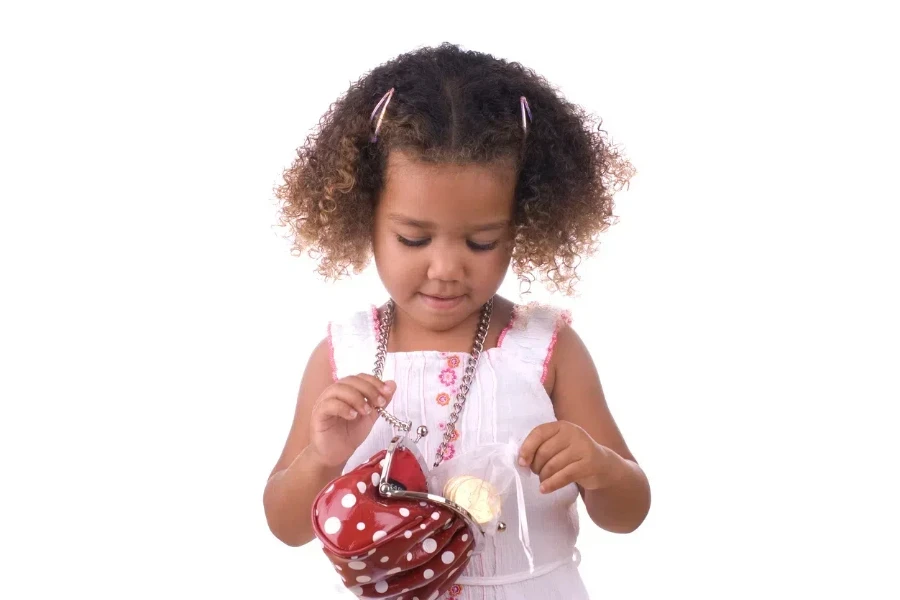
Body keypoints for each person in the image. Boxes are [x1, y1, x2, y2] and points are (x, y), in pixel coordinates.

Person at [264, 43, 650, 599]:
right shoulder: (342, 355)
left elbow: (629, 511)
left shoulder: (546, 348)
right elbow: (286, 525)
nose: (445, 268)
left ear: (523, 224)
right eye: (413, 238)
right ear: (364, 217)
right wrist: (323, 456)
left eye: (482, 241)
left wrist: (600, 467)